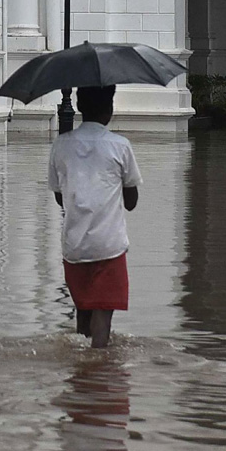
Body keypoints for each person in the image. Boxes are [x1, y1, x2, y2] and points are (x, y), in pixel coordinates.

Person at [48, 85, 142, 348]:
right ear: (110, 109)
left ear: (78, 107)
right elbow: (132, 202)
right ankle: (98, 371)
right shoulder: (120, 146)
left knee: (83, 310)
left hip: (74, 246)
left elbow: (59, 197)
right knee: (103, 313)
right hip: (108, 245)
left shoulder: (60, 145)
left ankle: (81, 377)